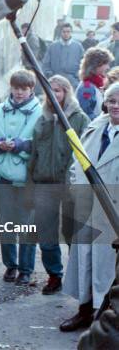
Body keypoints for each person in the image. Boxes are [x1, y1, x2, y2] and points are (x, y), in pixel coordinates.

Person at [61, 82, 119, 332]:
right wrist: (76, 187)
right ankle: (84, 310)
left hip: (113, 211)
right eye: (112, 101)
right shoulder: (95, 127)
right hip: (87, 204)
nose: (116, 106)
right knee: (84, 260)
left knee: (108, 268)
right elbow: (77, 161)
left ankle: (105, 319)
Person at [28, 75, 90, 295]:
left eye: (58, 90)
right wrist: (30, 181)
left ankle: (81, 278)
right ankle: (55, 275)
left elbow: (86, 154)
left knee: (72, 232)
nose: (53, 95)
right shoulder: (42, 118)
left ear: (66, 92)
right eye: (50, 91)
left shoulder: (79, 118)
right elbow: (34, 152)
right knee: (45, 233)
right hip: (44, 183)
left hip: (70, 186)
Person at [0, 70, 42, 286]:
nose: (18, 93)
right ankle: (11, 264)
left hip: (27, 180)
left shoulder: (40, 113)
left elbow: (41, 143)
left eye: (23, 89)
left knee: (27, 226)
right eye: (15, 88)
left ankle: (26, 269)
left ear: (31, 89)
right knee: (6, 224)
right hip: (3, 178)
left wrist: (19, 145)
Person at [75, 47, 114, 120]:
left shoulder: (97, 84)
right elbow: (86, 114)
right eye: (105, 63)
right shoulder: (87, 87)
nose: (108, 67)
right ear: (96, 65)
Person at [42, 23, 85, 88]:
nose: (66, 34)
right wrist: (50, 74)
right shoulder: (53, 46)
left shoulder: (78, 46)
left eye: (68, 32)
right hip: (56, 80)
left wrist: (77, 76)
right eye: (64, 32)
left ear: (71, 32)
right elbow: (46, 63)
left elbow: (83, 63)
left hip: (73, 81)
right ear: (60, 32)